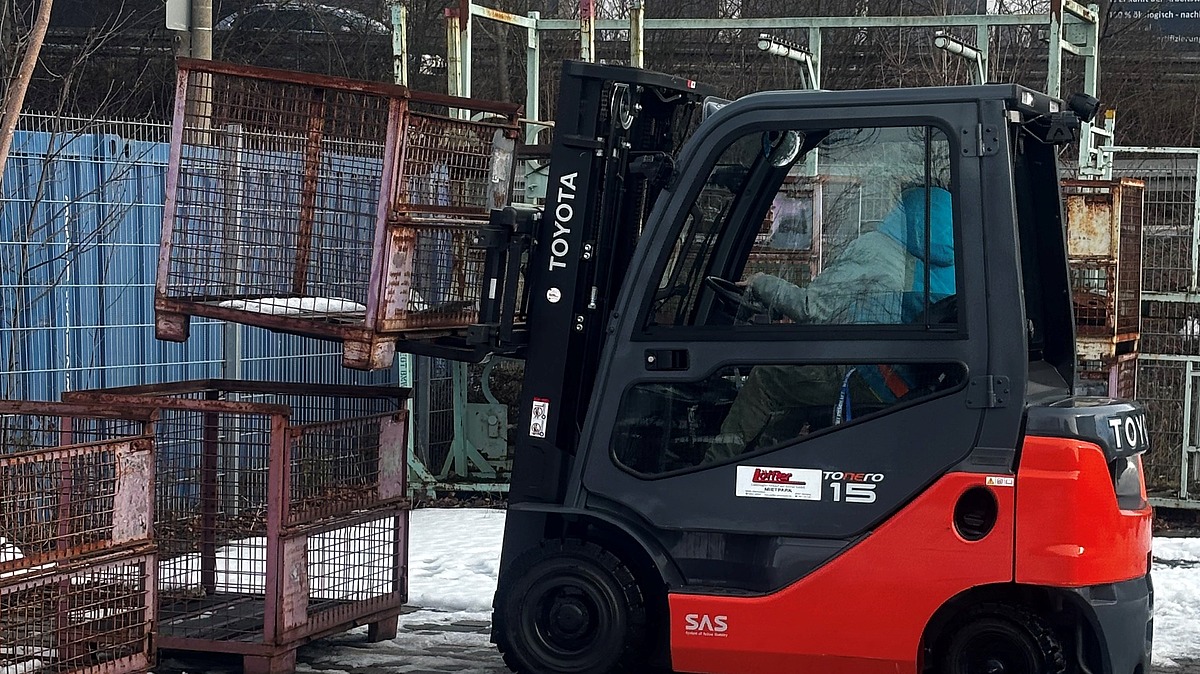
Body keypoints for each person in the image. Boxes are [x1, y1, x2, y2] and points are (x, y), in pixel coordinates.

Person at [704, 185, 955, 463]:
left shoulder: (879, 249)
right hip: (906, 384)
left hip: (871, 375)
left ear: (908, 215)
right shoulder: (943, 265)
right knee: (796, 383)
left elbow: (812, 308)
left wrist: (760, 283)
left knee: (767, 377)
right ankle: (766, 464)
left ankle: (712, 466)